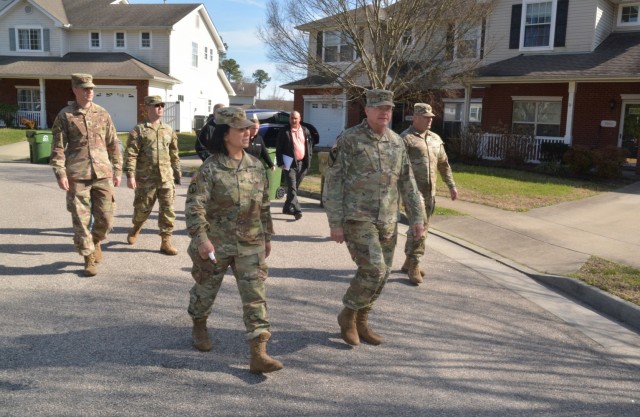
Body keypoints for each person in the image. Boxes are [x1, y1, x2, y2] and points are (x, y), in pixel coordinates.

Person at [185, 106, 283, 374]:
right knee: (206, 291)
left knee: (255, 296)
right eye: (240, 129)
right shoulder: (210, 169)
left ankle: (259, 351)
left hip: (250, 242)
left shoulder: (255, 166)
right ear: (225, 134)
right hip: (216, 244)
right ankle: (199, 323)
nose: (248, 132)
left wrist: (267, 236)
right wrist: (202, 240)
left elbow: (263, 205)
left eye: (247, 128)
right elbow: (195, 207)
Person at [322, 89, 425, 346]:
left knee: (384, 273)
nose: (384, 112)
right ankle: (348, 314)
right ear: (366, 110)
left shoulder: (396, 142)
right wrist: (335, 222)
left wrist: (417, 218)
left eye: (388, 108)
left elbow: (408, 182)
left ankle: (362, 320)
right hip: (357, 217)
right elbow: (333, 182)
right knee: (373, 268)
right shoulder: (349, 139)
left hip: (388, 219)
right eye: (378, 107)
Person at [50, 73, 122, 277]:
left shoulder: (102, 113)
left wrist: (117, 169)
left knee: (106, 219)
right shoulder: (65, 115)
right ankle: (88, 257)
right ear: (75, 89)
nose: (89, 91)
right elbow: (57, 148)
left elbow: (113, 144)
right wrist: (60, 172)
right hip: (77, 175)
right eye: (84, 88)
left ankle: (96, 240)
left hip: (102, 173)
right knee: (81, 220)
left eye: (91, 88)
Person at [400, 103, 458, 285]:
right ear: (415, 117)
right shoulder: (406, 139)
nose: (430, 120)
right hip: (412, 192)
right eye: (426, 117)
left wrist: (451, 185)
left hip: (430, 192)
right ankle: (415, 265)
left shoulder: (435, 139)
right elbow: (396, 167)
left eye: (431, 117)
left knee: (421, 227)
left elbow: (444, 164)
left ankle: (408, 261)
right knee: (421, 228)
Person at [123, 95, 181, 255]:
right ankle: (136, 227)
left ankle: (166, 241)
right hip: (146, 178)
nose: (160, 108)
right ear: (147, 108)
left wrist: (177, 171)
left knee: (168, 209)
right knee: (142, 209)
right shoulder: (139, 130)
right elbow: (131, 154)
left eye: (161, 105)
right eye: (156, 105)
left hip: (166, 178)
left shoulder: (168, 130)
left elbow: (174, 153)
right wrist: (130, 175)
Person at [275, 111, 312, 220]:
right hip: (289, 163)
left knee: (294, 188)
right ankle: (297, 210)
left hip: (303, 164)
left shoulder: (305, 130)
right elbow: (279, 147)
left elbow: (309, 146)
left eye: (295, 118)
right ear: (289, 119)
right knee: (292, 187)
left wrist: (309, 160)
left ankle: (286, 207)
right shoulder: (284, 131)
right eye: (291, 118)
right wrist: (280, 162)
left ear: (300, 118)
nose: (293, 120)